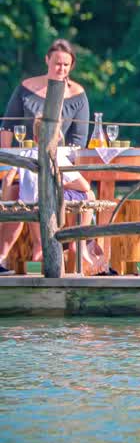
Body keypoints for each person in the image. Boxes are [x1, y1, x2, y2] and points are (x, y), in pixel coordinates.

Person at [0, 120, 109, 275]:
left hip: (29, 204)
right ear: (58, 136)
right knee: (89, 195)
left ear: (35, 139)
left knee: (39, 244)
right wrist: (59, 185)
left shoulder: (24, 154)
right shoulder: (56, 156)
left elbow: (7, 180)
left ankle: (37, 278)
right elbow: (84, 186)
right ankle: (80, 243)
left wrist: (8, 203)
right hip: (49, 203)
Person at [1, 39, 91, 148]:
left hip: (62, 160)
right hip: (24, 157)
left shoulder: (78, 94)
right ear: (47, 60)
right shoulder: (25, 88)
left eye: (66, 65)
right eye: (57, 64)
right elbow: (7, 127)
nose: (61, 69)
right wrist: (6, 161)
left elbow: (79, 138)